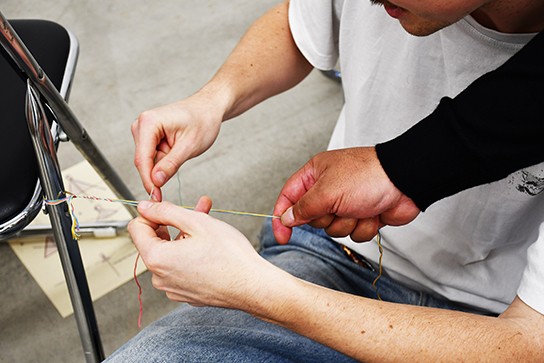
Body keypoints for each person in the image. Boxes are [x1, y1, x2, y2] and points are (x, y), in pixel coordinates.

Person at [107, 1, 544, 361]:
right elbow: (301, 25)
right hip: (334, 259)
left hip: (491, 321)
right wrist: (212, 99)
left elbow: (526, 345)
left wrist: (257, 289)